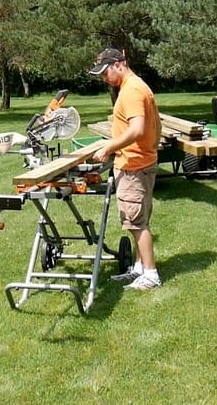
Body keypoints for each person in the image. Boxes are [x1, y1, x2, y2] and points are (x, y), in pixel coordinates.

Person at [89, 48, 162, 290]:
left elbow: (137, 129)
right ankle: (139, 269)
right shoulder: (138, 86)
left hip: (134, 166)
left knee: (137, 223)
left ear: (119, 64)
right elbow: (156, 125)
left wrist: (110, 146)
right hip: (140, 162)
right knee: (136, 221)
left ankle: (151, 275)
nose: (104, 78)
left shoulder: (131, 90)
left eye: (105, 72)